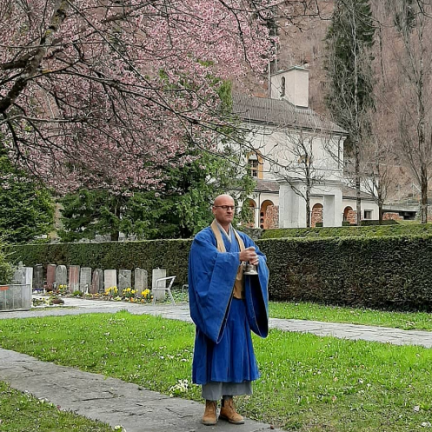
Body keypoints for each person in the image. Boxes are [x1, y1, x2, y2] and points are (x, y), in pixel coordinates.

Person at [188, 194, 269, 426]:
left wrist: (256, 261)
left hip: (238, 307)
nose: (229, 211)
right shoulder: (203, 239)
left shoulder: (241, 237)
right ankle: (210, 406)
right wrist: (236, 258)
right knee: (215, 354)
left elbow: (260, 258)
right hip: (216, 309)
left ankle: (229, 405)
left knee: (235, 355)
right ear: (214, 209)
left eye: (232, 207)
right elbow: (207, 264)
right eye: (224, 207)